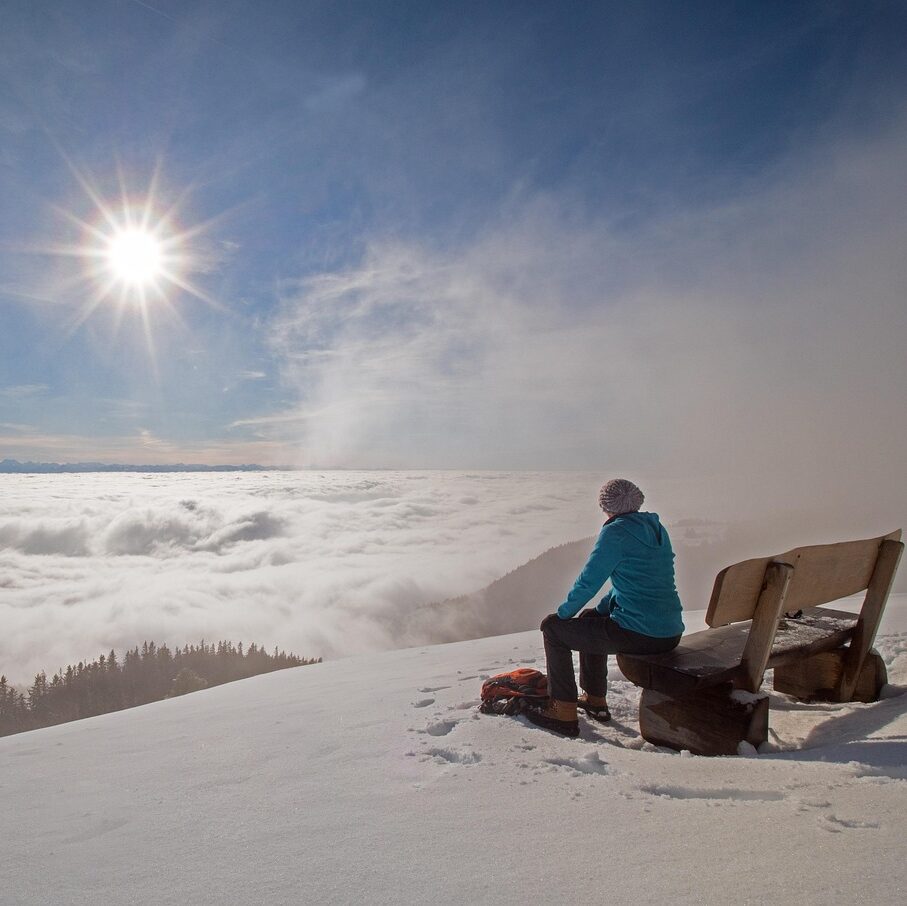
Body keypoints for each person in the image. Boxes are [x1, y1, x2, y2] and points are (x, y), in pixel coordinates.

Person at [525, 478, 684, 737]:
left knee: (553, 631)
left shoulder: (616, 532)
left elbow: (589, 581)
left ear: (606, 506)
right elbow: (631, 584)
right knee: (592, 618)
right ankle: (595, 701)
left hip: (641, 634)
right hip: (670, 632)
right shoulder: (655, 529)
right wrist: (598, 611)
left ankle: (562, 710)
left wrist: (563, 615)